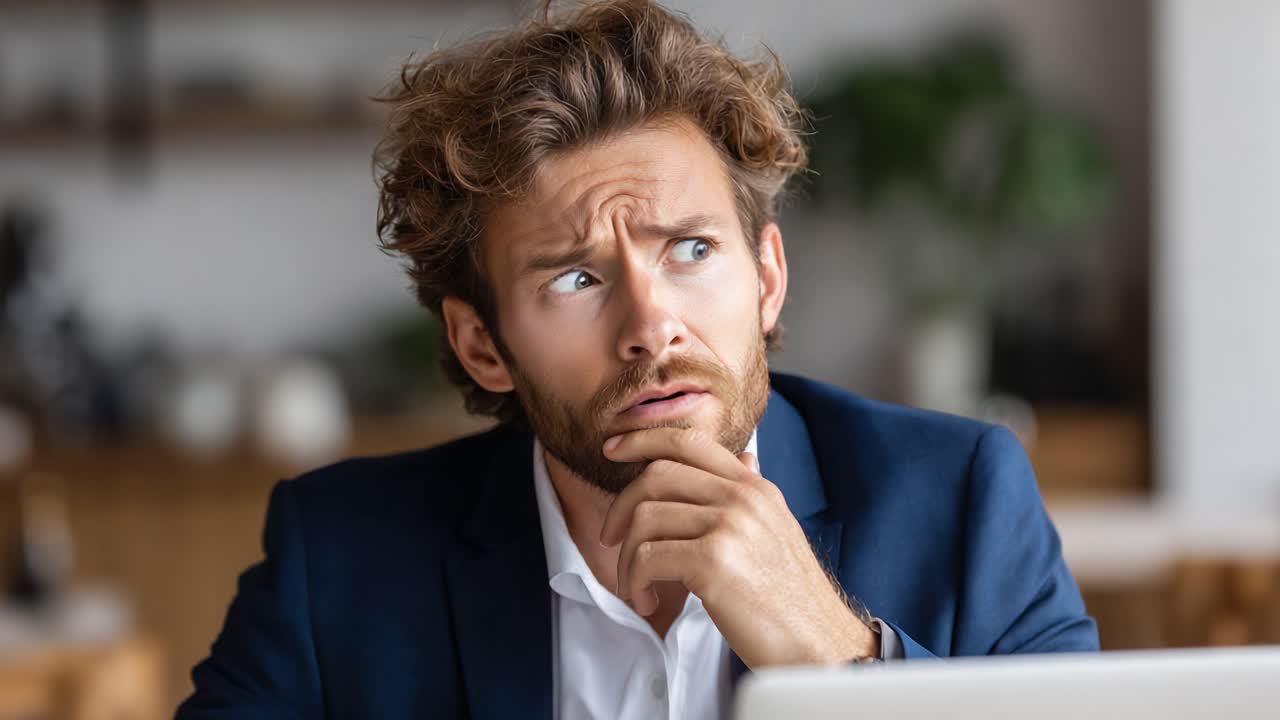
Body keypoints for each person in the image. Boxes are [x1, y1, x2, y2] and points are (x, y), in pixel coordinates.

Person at [176, 1, 1097, 718]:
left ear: (768, 277)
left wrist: (837, 655)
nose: (651, 328)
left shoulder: (964, 502)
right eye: (575, 279)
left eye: (691, 251)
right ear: (481, 346)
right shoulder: (336, 560)